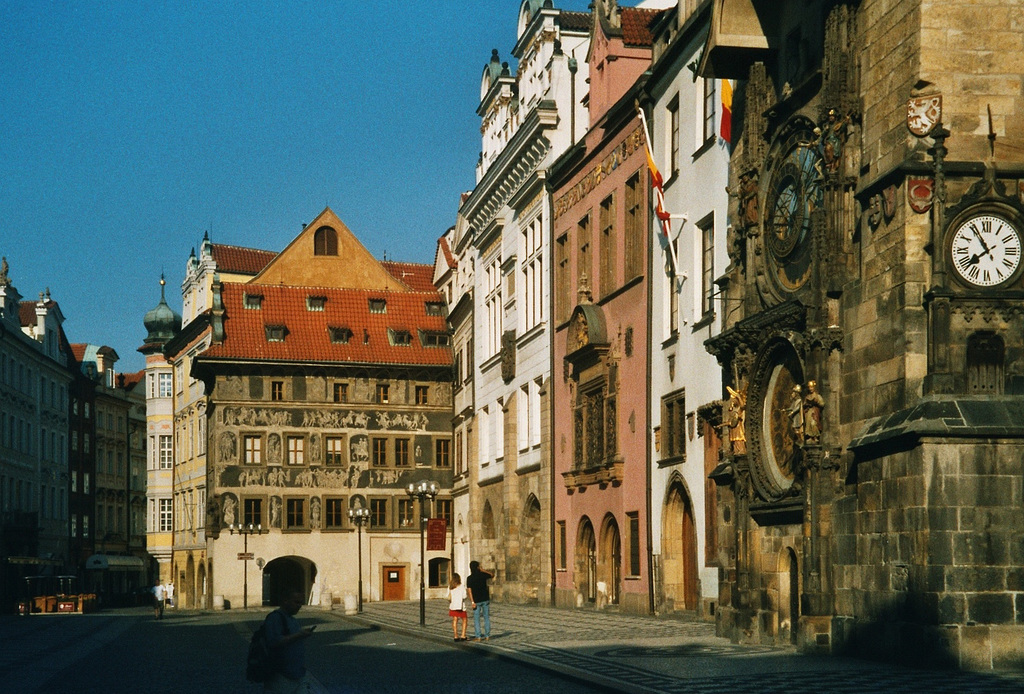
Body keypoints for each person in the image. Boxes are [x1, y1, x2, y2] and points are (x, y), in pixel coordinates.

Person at [263, 589, 315, 694]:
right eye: (296, 602)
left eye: (301, 603)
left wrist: (301, 635)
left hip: (296, 674)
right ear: (285, 601)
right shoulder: (275, 618)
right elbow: (274, 642)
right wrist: (299, 635)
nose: (299, 606)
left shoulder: (292, 619)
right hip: (280, 676)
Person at [466, 561, 493, 641]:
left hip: (476, 600)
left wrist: (472, 601)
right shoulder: (483, 575)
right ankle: (487, 635)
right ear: (478, 567)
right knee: (486, 617)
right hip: (485, 599)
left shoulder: (469, 578)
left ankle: (478, 636)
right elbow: (492, 575)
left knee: (477, 619)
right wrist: (483, 570)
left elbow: (469, 591)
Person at [447, 573, 468, 641]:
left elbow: (447, 595)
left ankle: (455, 635)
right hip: (461, 606)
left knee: (455, 620)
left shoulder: (450, 586)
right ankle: (463, 635)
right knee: (464, 619)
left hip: (453, 605)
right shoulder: (462, 586)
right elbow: (464, 596)